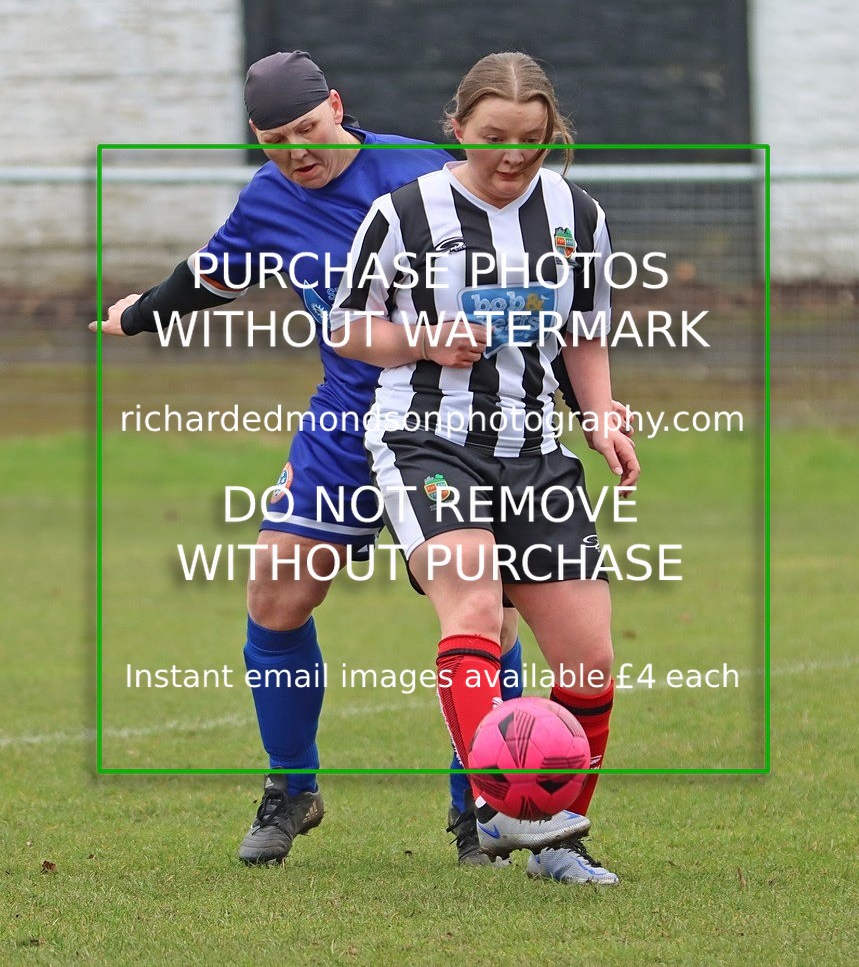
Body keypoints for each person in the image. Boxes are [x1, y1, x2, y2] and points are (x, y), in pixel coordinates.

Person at [90, 50, 596, 872]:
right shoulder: (270, 199)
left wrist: (579, 406)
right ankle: (291, 789)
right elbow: (210, 276)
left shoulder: (425, 173)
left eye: (308, 129)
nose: (298, 150)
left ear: (337, 106)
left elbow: (538, 280)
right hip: (345, 422)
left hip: (451, 420)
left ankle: (482, 802)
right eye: (274, 139)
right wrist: (139, 314)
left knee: (484, 610)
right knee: (276, 586)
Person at [331, 51, 640, 884]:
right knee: (470, 605)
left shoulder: (578, 213)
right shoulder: (404, 213)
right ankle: (497, 807)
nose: (512, 155)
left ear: (552, 135)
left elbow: (583, 332)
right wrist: (425, 339)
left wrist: (601, 417)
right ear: (457, 127)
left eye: (532, 140)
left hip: (535, 451)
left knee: (589, 661)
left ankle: (558, 842)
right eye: (494, 136)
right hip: (425, 440)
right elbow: (349, 328)